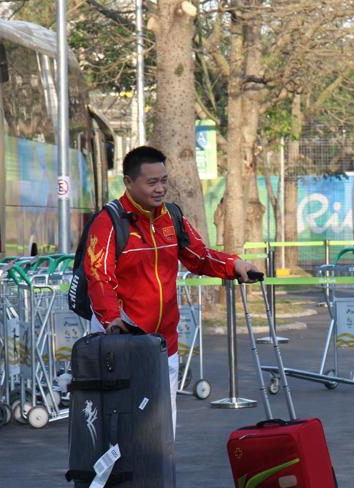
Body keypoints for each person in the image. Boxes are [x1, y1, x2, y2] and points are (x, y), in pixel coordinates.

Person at [84, 146, 259, 437]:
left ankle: (160, 482)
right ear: (128, 182)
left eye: (164, 180)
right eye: (151, 182)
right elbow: (99, 277)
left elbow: (199, 256)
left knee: (163, 430)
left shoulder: (172, 217)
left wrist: (235, 265)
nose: (160, 188)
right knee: (123, 430)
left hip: (166, 343)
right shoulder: (109, 222)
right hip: (123, 341)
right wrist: (111, 320)